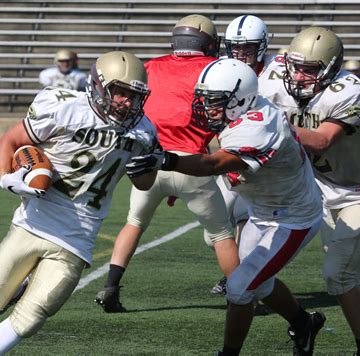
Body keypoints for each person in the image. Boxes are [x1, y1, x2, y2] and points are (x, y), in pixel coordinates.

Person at [126, 58, 326, 356]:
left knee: (240, 288)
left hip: (292, 218)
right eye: (206, 100)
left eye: (215, 101)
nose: (207, 108)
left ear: (240, 98)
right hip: (262, 210)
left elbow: (215, 163)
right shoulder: (242, 111)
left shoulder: (258, 125)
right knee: (257, 283)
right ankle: (303, 323)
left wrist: (167, 160)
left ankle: (229, 353)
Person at [0, 51, 159, 356]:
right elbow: (10, 140)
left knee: (30, 320)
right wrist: (7, 177)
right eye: (120, 92)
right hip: (34, 223)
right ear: (98, 86)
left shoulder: (143, 131)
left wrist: (146, 167)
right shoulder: (64, 107)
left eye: (134, 96)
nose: (126, 102)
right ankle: (21, 284)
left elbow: (144, 184)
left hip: (78, 237)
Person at [259, 26, 360, 355]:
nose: (298, 76)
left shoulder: (349, 91)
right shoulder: (273, 76)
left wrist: (270, 121)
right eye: (295, 67)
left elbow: (321, 140)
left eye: (309, 70)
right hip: (322, 192)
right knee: (359, 282)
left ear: (329, 69)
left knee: (337, 277)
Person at [94, 14, 238, 313]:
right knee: (222, 234)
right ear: (209, 43)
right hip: (191, 163)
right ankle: (241, 296)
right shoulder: (215, 69)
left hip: (148, 157)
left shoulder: (151, 66)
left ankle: (110, 286)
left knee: (134, 223)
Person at [210, 14, 275, 295]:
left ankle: (242, 280)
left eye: (247, 47)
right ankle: (238, 273)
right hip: (230, 155)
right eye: (235, 47)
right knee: (213, 231)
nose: (240, 53)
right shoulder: (222, 69)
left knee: (253, 225)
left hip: (267, 162)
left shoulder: (276, 73)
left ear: (261, 46)